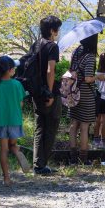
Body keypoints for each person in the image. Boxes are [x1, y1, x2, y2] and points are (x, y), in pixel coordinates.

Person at [0, 56, 29, 185]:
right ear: (10, 70)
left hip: (0, 121)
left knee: (4, 150)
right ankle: (16, 151)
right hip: (15, 120)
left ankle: (6, 178)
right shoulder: (17, 84)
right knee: (13, 145)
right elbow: (21, 103)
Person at [32, 15, 63, 175]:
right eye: (57, 28)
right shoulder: (52, 46)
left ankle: (37, 163)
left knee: (39, 127)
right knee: (51, 127)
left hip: (36, 91)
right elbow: (50, 70)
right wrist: (50, 93)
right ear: (52, 30)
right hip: (48, 92)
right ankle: (42, 165)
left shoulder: (36, 45)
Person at [69, 34, 105, 164]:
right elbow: (88, 78)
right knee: (85, 127)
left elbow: (72, 70)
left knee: (74, 125)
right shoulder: (90, 57)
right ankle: (83, 159)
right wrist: (98, 77)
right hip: (85, 94)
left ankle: (73, 158)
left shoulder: (76, 51)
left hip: (73, 93)